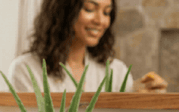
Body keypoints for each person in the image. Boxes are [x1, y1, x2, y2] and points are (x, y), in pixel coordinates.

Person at [8, 0, 139, 93]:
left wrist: (143, 94)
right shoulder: (26, 69)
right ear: (63, 11)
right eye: (89, 9)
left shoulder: (116, 71)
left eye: (106, 12)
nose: (100, 21)